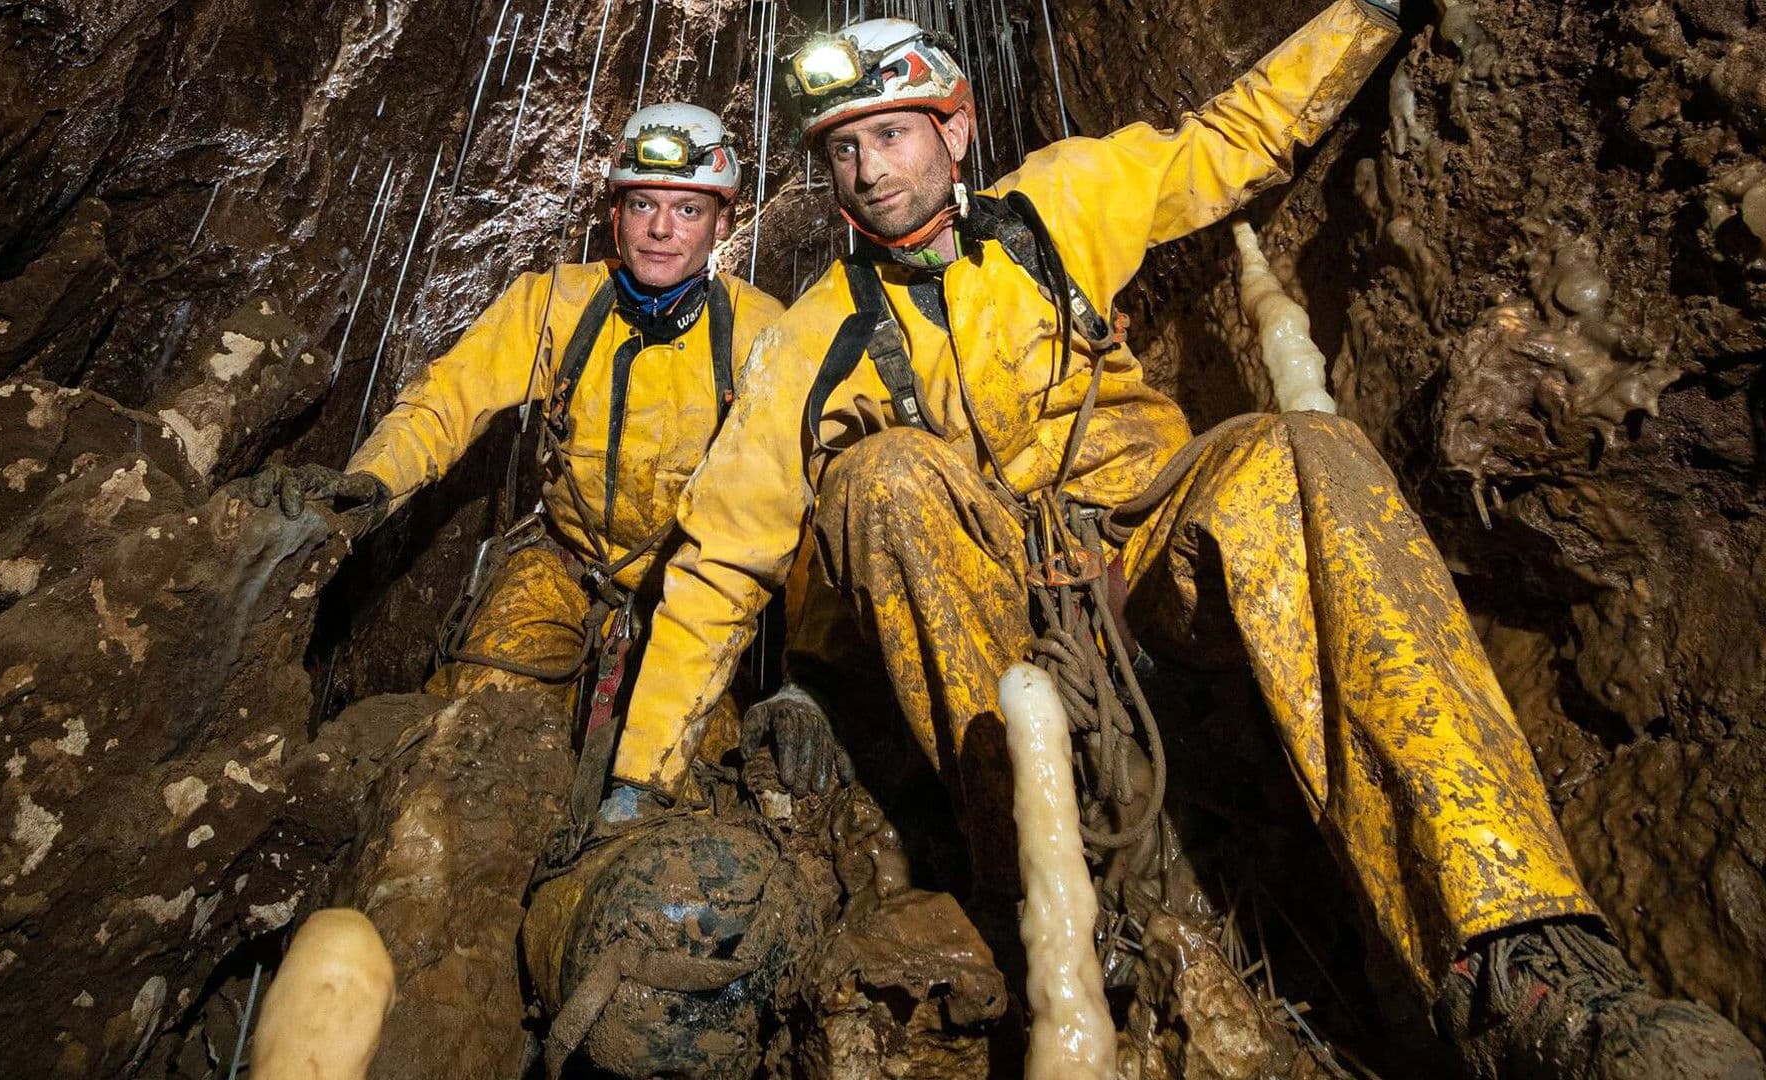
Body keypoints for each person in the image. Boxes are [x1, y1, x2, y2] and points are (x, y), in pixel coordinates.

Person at [592, 7, 1765, 1078]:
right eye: (844, 148)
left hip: (1152, 551)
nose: (868, 168)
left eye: (891, 135)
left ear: (954, 131)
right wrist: (640, 779)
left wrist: (1369, 16)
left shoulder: (1062, 203)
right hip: (996, 618)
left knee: (1302, 453)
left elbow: (1231, 138)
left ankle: (1520, 953)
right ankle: (1058, 908)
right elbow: (725, 551)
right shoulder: (816, 336)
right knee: (880, 477)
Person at [242, 103, 783, 812]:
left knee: (692, 788)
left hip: (695, 592)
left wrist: (807, 676)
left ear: (723, 221)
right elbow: (447, 399)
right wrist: (370, 481)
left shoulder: (763, 333)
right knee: (468, 745)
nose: (660, 228)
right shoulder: (554, 302)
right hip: (561, 562)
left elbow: (794, 506)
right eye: (643, 203)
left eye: (687, 209)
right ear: (614, 213)